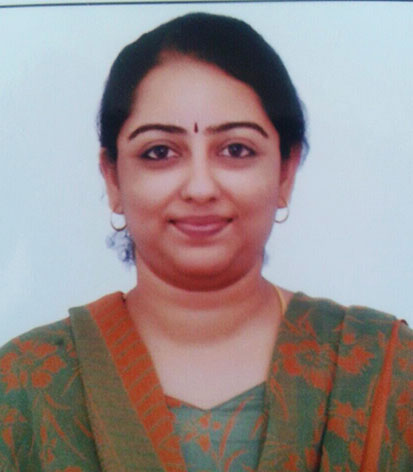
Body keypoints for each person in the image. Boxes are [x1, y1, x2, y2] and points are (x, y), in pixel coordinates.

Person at [0, 12, 411, 472]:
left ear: (285, 172)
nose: (200, 187)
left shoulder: (384, 372)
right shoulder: (24, 387)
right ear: (113, 178)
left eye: (236, 150)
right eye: (159, 152)